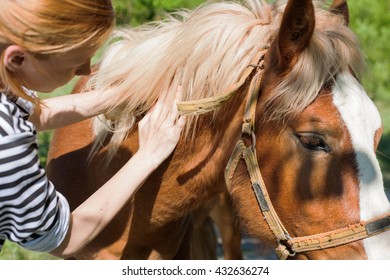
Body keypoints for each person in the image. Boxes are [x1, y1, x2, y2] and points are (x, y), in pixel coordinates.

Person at [0, 0, 185, 258]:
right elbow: (66, 238)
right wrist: (148, 155)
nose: (86, 70)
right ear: (17, 58)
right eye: (74, 62)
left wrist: (122, 93)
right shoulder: (6, 147)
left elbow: (34, 114)